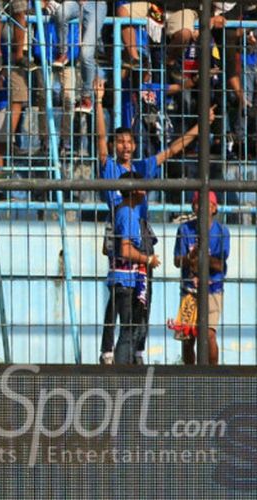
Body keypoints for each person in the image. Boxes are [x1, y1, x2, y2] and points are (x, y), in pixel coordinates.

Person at [95, 78, 213, 364]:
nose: (125, 145)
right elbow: (100, 142)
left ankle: (137, 350)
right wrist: (98, 103)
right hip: (120, 228)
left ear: (134, 145)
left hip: (141, 232)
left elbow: (171, 150)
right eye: (120, 141)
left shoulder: (141, 167)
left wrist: (200, 127)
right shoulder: (109, 167)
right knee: (119, 292)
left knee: (142, 293)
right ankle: (109, 351)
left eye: (128, 141)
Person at [108, 172, 160, 365]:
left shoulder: (120, 211)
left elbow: (110, 247)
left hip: (121, 278)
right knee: (129, 331)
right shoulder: (128, 214)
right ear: (135, 190)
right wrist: (148, 259)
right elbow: (125, 248)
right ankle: (123, 375)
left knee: (129, 329)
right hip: (128, 279)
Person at [174, 191, 229, 365]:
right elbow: (177, 260)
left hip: (213, 289)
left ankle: (213, 375)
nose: (202, 207)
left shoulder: (222, 231)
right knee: (187, 338)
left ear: (214, 208)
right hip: (190, 291)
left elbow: (220, 263)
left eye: (207, 204)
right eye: (198, 203)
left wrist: (199, 260)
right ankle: (191, 375)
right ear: (193, 207)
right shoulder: (184, 229)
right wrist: (190, 258)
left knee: (209, 334)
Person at [47, 0, 108, 114]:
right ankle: (62, 53)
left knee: (86, 53)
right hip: (75, 3)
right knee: (61, 12)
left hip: (96, 5)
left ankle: (86, 97)